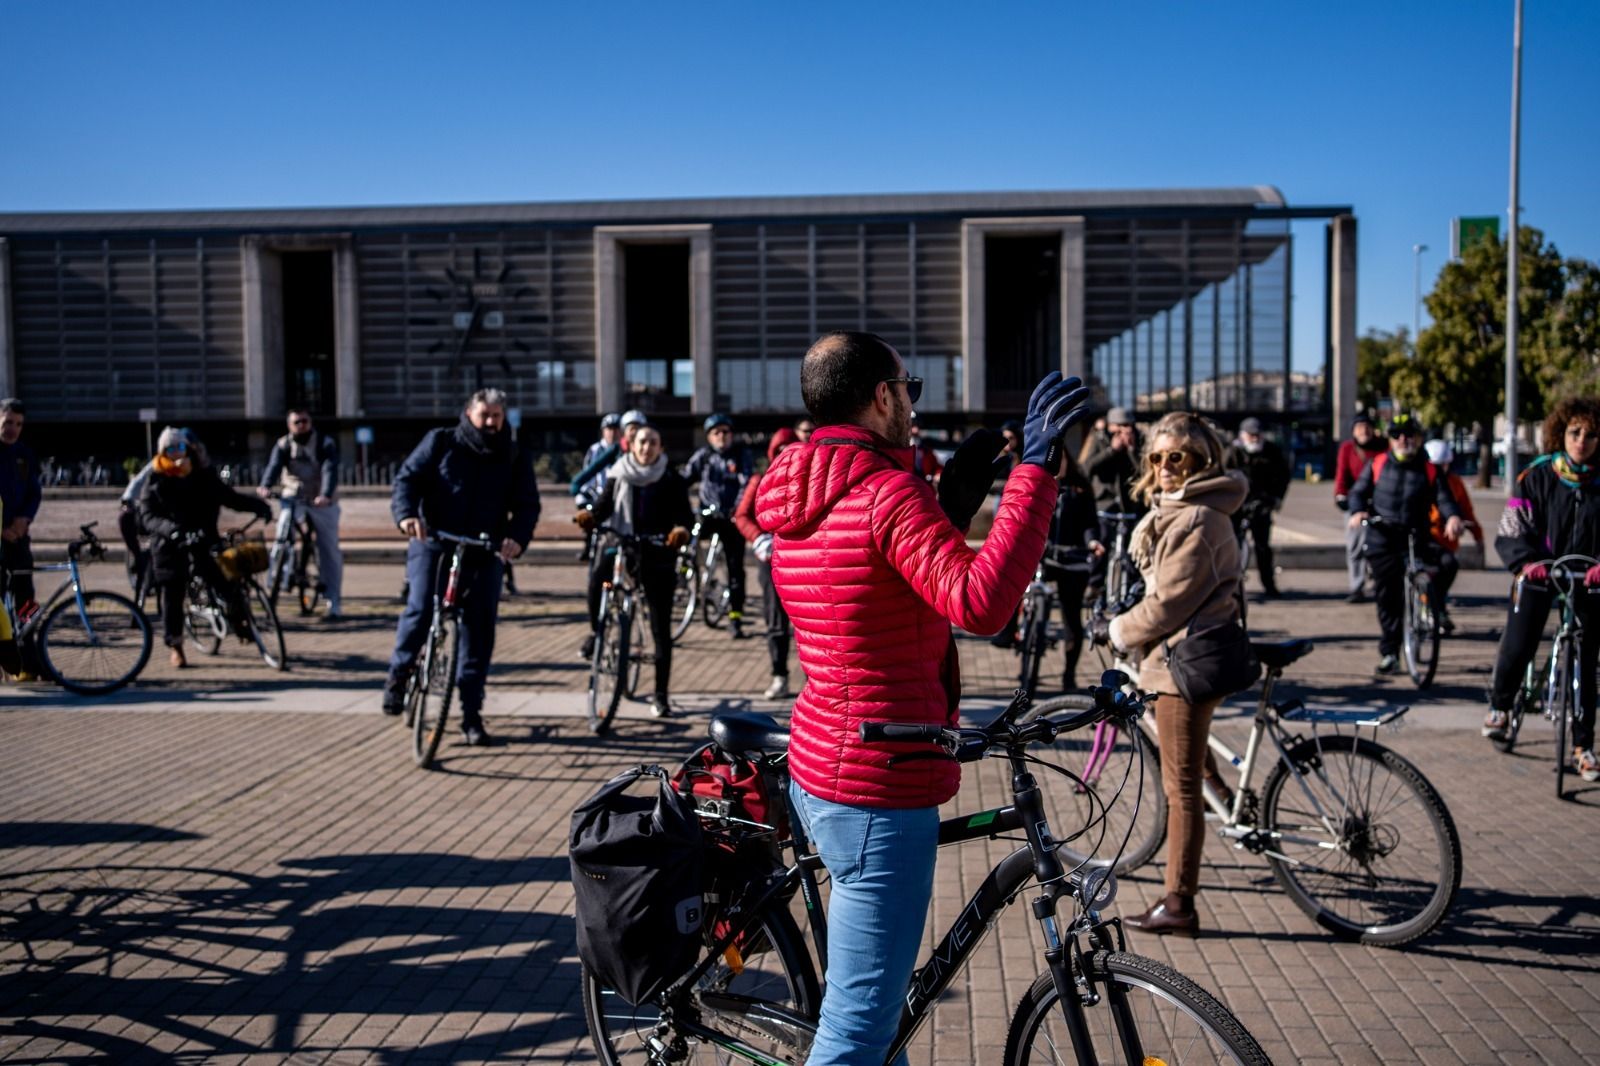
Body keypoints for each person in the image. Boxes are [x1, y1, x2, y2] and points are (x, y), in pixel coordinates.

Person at [755, 329, 1088, 1066]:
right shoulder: (885, 492)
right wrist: (1034, 474)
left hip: (825, 761)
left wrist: (950, 510)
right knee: (855, 1035)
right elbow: (981, 603)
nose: (913, 403)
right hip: (878, 783)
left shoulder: (799, 488)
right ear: (882, 396)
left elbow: (872, 588)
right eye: (909, 388)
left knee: (878, 1018)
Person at [1094, 411, 1248, 936]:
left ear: (1201, 460)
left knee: (1179, 789)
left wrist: (1117, 630)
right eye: (1155, 456)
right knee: (1191, 761)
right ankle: (1227, 798)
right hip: (1187, 654)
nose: (1163, 466)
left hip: (1182, 664)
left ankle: (1178, 903)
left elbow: (1168, 605)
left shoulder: (1197, 519)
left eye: (1175, 456)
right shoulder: (1179, 510)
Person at [382, 388, 540, 747]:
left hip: (484, 549)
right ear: (469, 413)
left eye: (496, 416)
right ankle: (399, 677)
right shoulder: (441, 441)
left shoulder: (513, 453)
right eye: (484, 415)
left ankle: (471, 713)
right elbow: (407, 479)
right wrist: (406, 516)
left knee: (479, 632)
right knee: (421, 608)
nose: (490, 422)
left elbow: (527, 504)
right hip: (435, 541)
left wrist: (516, 537)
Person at [1484, 397, 1600, 781]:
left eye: (1591, 435)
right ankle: (1500, 706)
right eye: (1575, 432)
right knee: (1520, 640)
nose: (1582, 441)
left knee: (1587, 657)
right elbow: (1512, 526)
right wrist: (1526, 562)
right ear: (1560, 433)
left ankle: (1583, 746)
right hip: (1539, 573)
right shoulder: (1536, 476)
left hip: (1588, 578)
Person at [575, 423, 692, 719]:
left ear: (660, 447)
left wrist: (680, 530)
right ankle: (597, 632)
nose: (646, 447)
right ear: (632, 445)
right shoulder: (619, 473)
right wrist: (590, 516)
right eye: (641, 442)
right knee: (596, 581)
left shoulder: (670, 478)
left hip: (657, 552)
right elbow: (603, 507)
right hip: (623, 547)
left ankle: (661, 695)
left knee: (660, 628)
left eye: (652, 442)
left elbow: (685, 516)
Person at [136, 427, 272, 668]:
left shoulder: (201, 473)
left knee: (228, 582)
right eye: (170, 449)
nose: (176, 452)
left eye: (180, 447)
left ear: (188, 449)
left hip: (203, 540)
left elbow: (229, 497)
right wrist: (171, 530)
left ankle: (240, 624)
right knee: (173, 594)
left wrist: (258, 506)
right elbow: (147, 516)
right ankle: (176, 646)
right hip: (170, 546)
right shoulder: (155, 479)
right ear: (162, 452)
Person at [1347, 413, 1464, 674]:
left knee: (1448, 563)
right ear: (1390, 439)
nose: (1403, 440)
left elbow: (1445, 499)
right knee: (1388, 597)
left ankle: (1431, 605)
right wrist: (1357, 510)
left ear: (1419, 438)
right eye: (1397, 435)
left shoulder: (1430, 469)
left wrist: (1453, 517)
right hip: (1382, 537)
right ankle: (1390, 653)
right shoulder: (1377, 464)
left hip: (1416, 536)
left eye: (1409, 435)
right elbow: (1358, 493)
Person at [256, 409, 344, 618]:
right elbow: (274, 466)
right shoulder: (283, 445)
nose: (301, 425)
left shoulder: (324, 443)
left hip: (321, 500)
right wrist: (265, 485)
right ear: (289, 425)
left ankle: (333, 600)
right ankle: (277, 577)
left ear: (310, 422)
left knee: (329, 548)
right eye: (297, 422)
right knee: (283, 531)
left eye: (305, 421)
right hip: (293, 496)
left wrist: (325, 495)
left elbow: (329, 469)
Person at [733, 427, 799, 699]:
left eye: (790, 450)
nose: (785, 455)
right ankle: (779, 675)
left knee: (811, 626)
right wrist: (759, 537)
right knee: (775, 622)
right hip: (771, 560)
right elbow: (741, 515)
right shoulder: (760, 480)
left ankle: (815, 682)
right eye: (779, 450)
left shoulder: (808, 478)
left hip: (802, 562)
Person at [682, 413, 754, 639]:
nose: (721, 436)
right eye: (716, 432)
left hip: (732, 519)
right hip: (708, 515)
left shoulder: (741, 455)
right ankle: (685, 574)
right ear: (709, 437)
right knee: (687, 541)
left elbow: (747, 484)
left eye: (725, 432)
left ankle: (735, 617)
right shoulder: (703, 456)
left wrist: (738, 508)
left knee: (735, 568)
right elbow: (684, 480)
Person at [1224, 417, 1292, 597]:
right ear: (1242, 435)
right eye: (1251, 435)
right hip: (1236, 505)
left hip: (1262, 504)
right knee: (1232, 546)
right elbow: (1223, 477)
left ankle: (1269, 585)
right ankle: (1231, 585)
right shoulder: (1232, 452)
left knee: (1263, 547)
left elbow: (1283, 476)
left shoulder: (1271, 451)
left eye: (1258, 435)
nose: (1255, 438)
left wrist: (1276, 498)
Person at [1423, 439, 1483, 633]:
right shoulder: (1419, 478)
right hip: (1423, 537)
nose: (1440, 469)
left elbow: (1466, 510)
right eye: (1435, 465)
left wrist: (1478, 535)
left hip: (1446, 541)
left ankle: (1437, 608)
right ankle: (1426, 605)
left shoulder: (1455, 483)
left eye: (1443, 465)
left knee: (1449, 566)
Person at [1334, 411, 1386, 603]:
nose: (1364, 431)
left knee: (1382, 545)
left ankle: (1380, 583)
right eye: (1359, 428)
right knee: (1355, 545)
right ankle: (1356, 586)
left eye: (1367, 427)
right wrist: (1340, 495)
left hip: (1380, 502)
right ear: (1353, 431)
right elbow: (1341, 475)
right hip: (1355, 502)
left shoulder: (1383, 447)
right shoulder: (1347, 449)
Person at [0, 399, 43, 617]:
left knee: (26, 593)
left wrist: (25, 518)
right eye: (8, 422)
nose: (13, 429)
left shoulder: (24, 455)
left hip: (18, 536)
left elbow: (34, 493)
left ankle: (28, 631)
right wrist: (2, 528)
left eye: (18, 424)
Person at [574, 413, 622, 561]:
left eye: (616, 429)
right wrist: (585, 492)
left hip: (617, 495)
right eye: (609, 429)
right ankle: (589, 544)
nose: (613, 433)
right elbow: (587, 473)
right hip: (597, 494)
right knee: (588, 514)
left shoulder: (624, 450)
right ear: (603, 431)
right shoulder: (595, 449)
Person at [908, 410, 942, 483]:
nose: (916, 429)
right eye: (913, 424)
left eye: (918, 425)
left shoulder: (925, 451)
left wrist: (938, 474)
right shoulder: (897, 450)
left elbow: (937, 467)